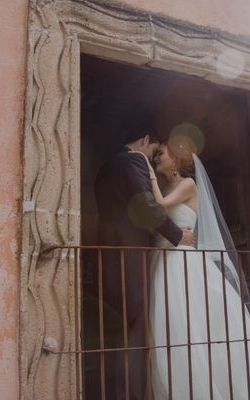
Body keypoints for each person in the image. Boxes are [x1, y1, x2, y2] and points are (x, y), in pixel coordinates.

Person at [133, 141, 250, 400]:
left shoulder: (187, 185)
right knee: (167, 330)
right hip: (160, 261)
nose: (157, 157)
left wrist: (144, 166)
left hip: (181, 263)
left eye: (161, 153)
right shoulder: (166, 184)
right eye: (155, 154)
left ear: (177, 159)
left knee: (192, 328)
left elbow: (158, 204)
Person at [94, 127, 195, 400]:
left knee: (121, 328)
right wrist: (177, 235)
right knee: (138, 328)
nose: (153, 159)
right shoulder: (134, 160)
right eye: (154, 151)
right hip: (132, 254)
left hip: (111, 253)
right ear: (145, 140)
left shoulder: (107, 166)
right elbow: (146, 206)